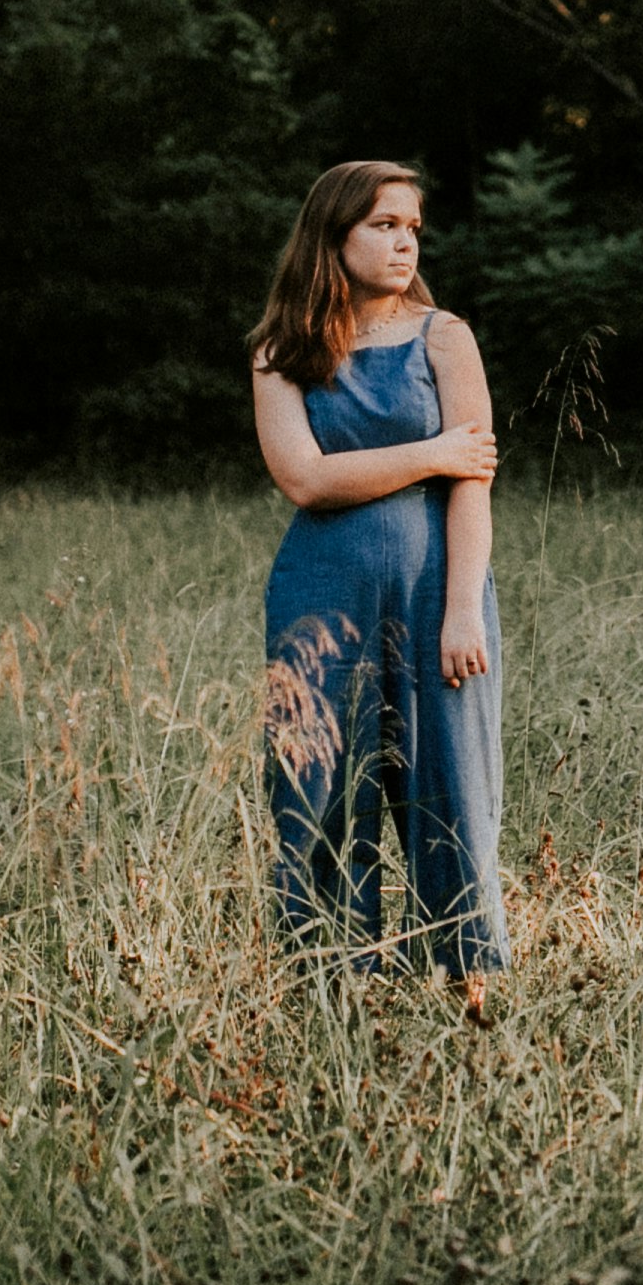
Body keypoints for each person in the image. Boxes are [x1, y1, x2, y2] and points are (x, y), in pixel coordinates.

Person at [248, 159, 508, 1010]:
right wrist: (432, 452)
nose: (404, 242)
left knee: (452, 786)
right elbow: (306, 479)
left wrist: (464, 606)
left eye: (413, 227)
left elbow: (477, 485)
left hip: (439, 597)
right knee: (318, 791)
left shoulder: (444, 337)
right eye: (383, 224)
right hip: (320, 600)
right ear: (335, 234)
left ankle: (468, 992)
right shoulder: (281, 351)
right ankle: (331, 989)